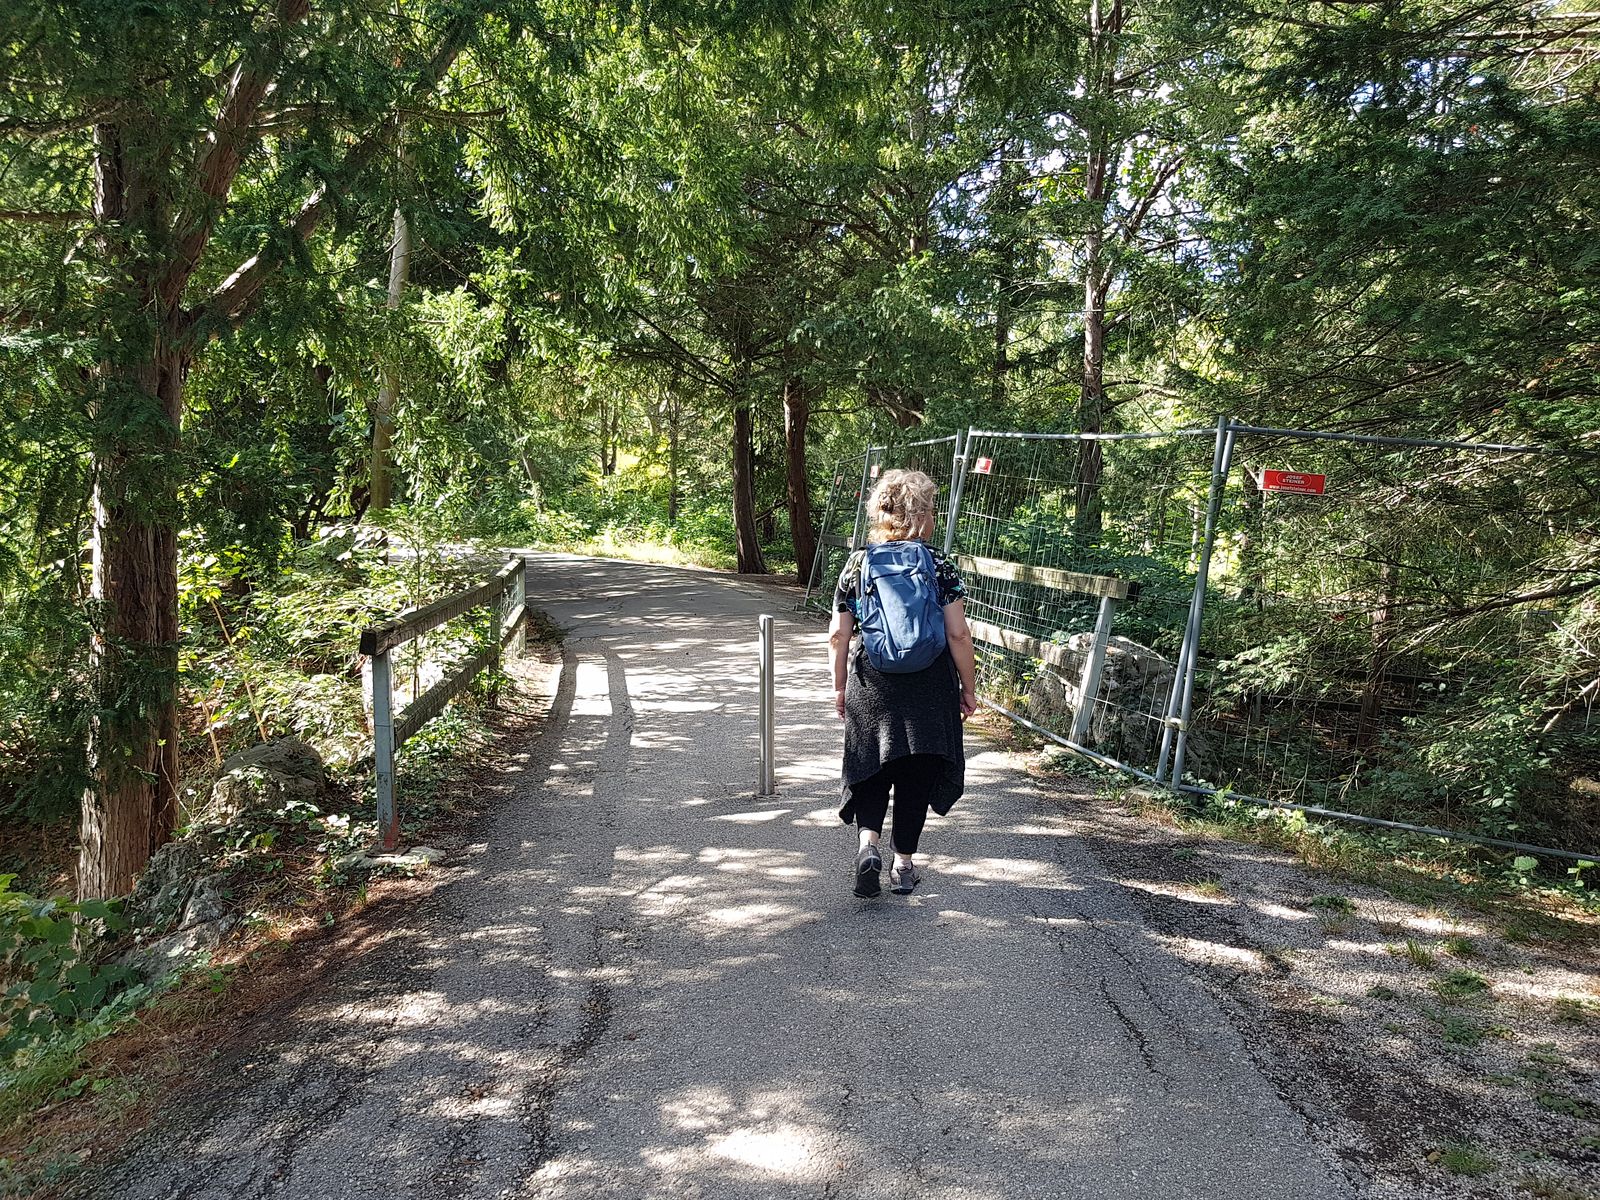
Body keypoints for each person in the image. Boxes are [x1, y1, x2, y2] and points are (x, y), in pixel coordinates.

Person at [829, 468, 977, 898]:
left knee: (872, 767)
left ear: (882, 514)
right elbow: (958, 634)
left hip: (872, 682)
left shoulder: (857, 564)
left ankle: (868, 846)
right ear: (923, 515)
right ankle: (904, 866)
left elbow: (839, 634)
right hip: (929, 684)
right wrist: (967, 688)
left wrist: (840, 685)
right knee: (916, 772)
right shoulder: (938, 564)